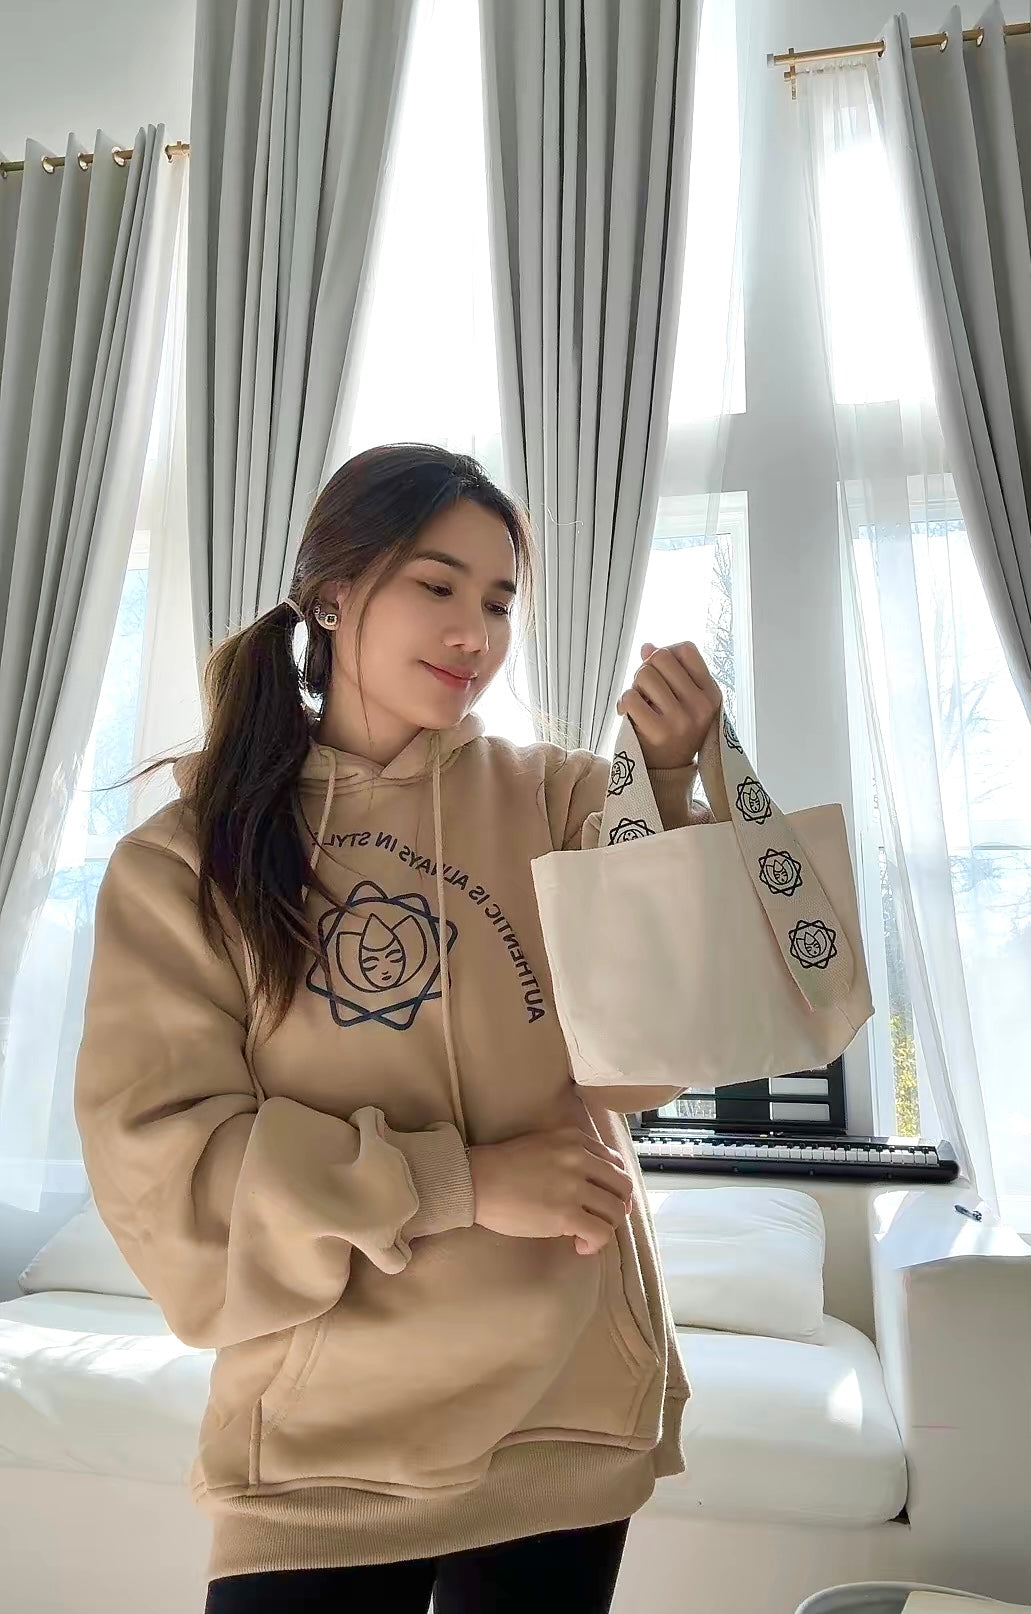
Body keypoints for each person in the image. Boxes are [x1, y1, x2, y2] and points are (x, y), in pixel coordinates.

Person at [73, 442, 719, 1613]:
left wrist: (664, 788)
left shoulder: (562, 802)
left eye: (499, 601)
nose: (473, 631)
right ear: (331, 594)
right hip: (322, 1445)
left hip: (561, 1414)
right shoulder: (188, 860)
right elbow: (164, 1166)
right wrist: (459, 1183)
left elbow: (648, 1065)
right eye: (436, 585)